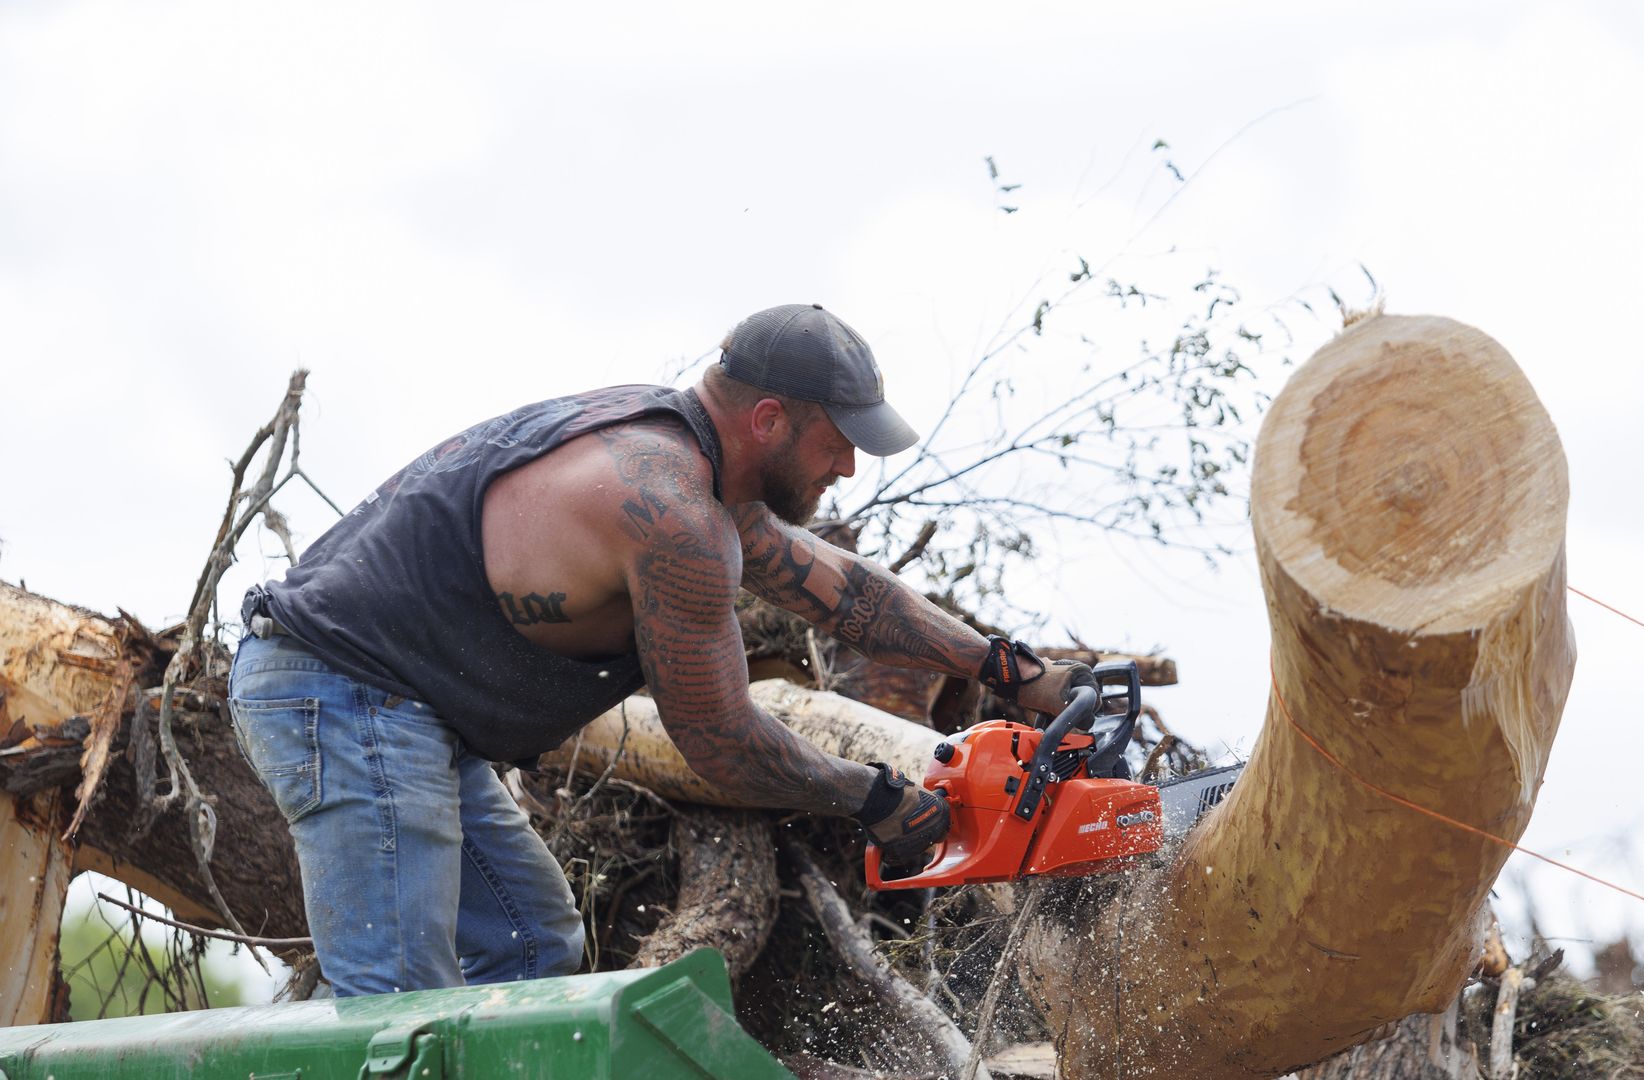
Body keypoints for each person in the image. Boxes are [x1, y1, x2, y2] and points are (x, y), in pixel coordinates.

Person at [227, 303, 1089, 997]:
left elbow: (846, 588)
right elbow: (718, 739)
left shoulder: (692, 466)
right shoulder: (669, 509)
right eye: (839, 442)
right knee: (398, 1004)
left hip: (404, 707)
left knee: (532, 949)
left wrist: (1009, 669)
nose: (849, 470)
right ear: (769, 419)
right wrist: (873, 797)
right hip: (341, 695)